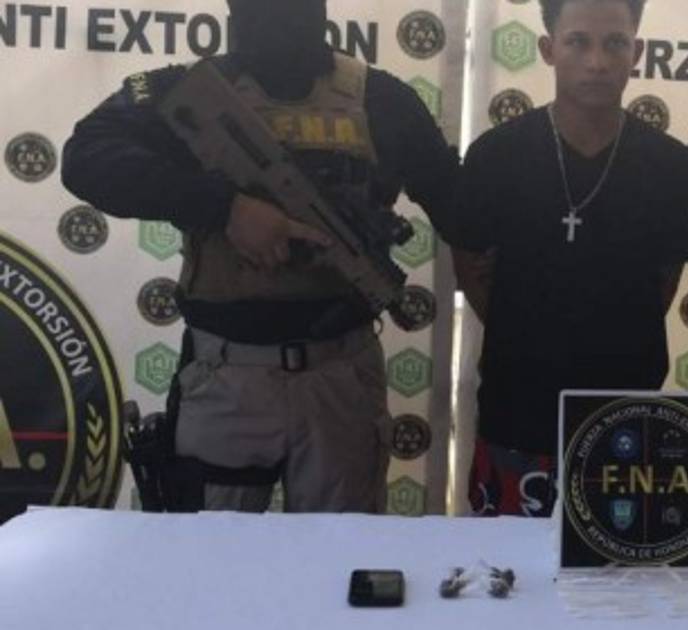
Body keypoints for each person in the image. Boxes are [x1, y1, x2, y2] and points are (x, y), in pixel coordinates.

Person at [61, 0, 458, 513]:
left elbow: (460, 208)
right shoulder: (183, 89)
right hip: (226, 374)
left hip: (340, 373)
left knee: (338, 557)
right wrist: (224, 207)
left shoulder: (382, 98)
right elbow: (85, 157)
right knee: (210, 554)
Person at [447, 0, 688, 517]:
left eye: (615, 44)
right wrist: (525, 331)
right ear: (548, 49)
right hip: (517, 405)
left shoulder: (670, 165)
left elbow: (665, 279)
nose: (597, 62)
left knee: (619, 559)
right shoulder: (496, 155)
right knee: (505, 561)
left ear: (637, 53)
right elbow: (468, 264)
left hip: (625, 413)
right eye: (578, 42)